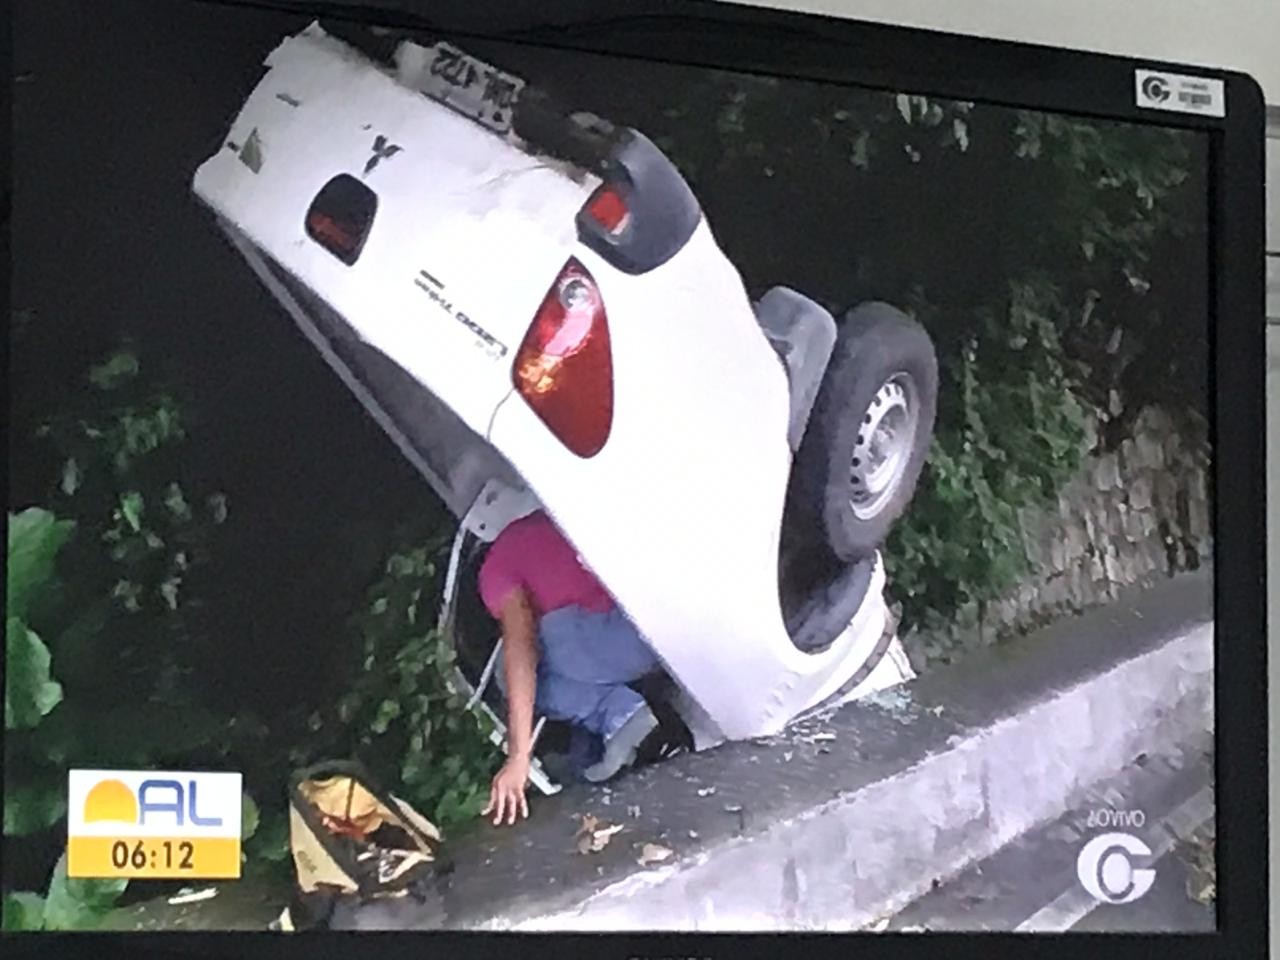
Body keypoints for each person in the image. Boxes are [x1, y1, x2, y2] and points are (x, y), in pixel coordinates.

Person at [479, 509, 661, 826]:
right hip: (670, 615)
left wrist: (518, 756)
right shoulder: (544, 515)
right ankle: (618, 712)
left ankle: (619, 714)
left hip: (633, 640)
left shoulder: (494, 572)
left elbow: (520, 646)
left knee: (509, 669)